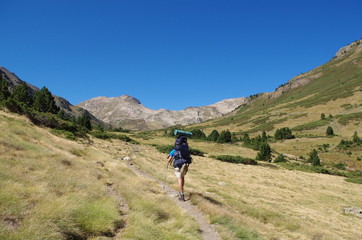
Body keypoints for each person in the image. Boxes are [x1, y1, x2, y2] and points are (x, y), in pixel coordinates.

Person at [167, 135, 192, 201]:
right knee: (182, 177)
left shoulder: (174, 150)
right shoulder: (185, 149)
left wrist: (169, 161)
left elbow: (169, 160)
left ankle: (181, 195)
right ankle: (181, 190)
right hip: (185, 163)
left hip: (177, 165)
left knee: (179, 179)